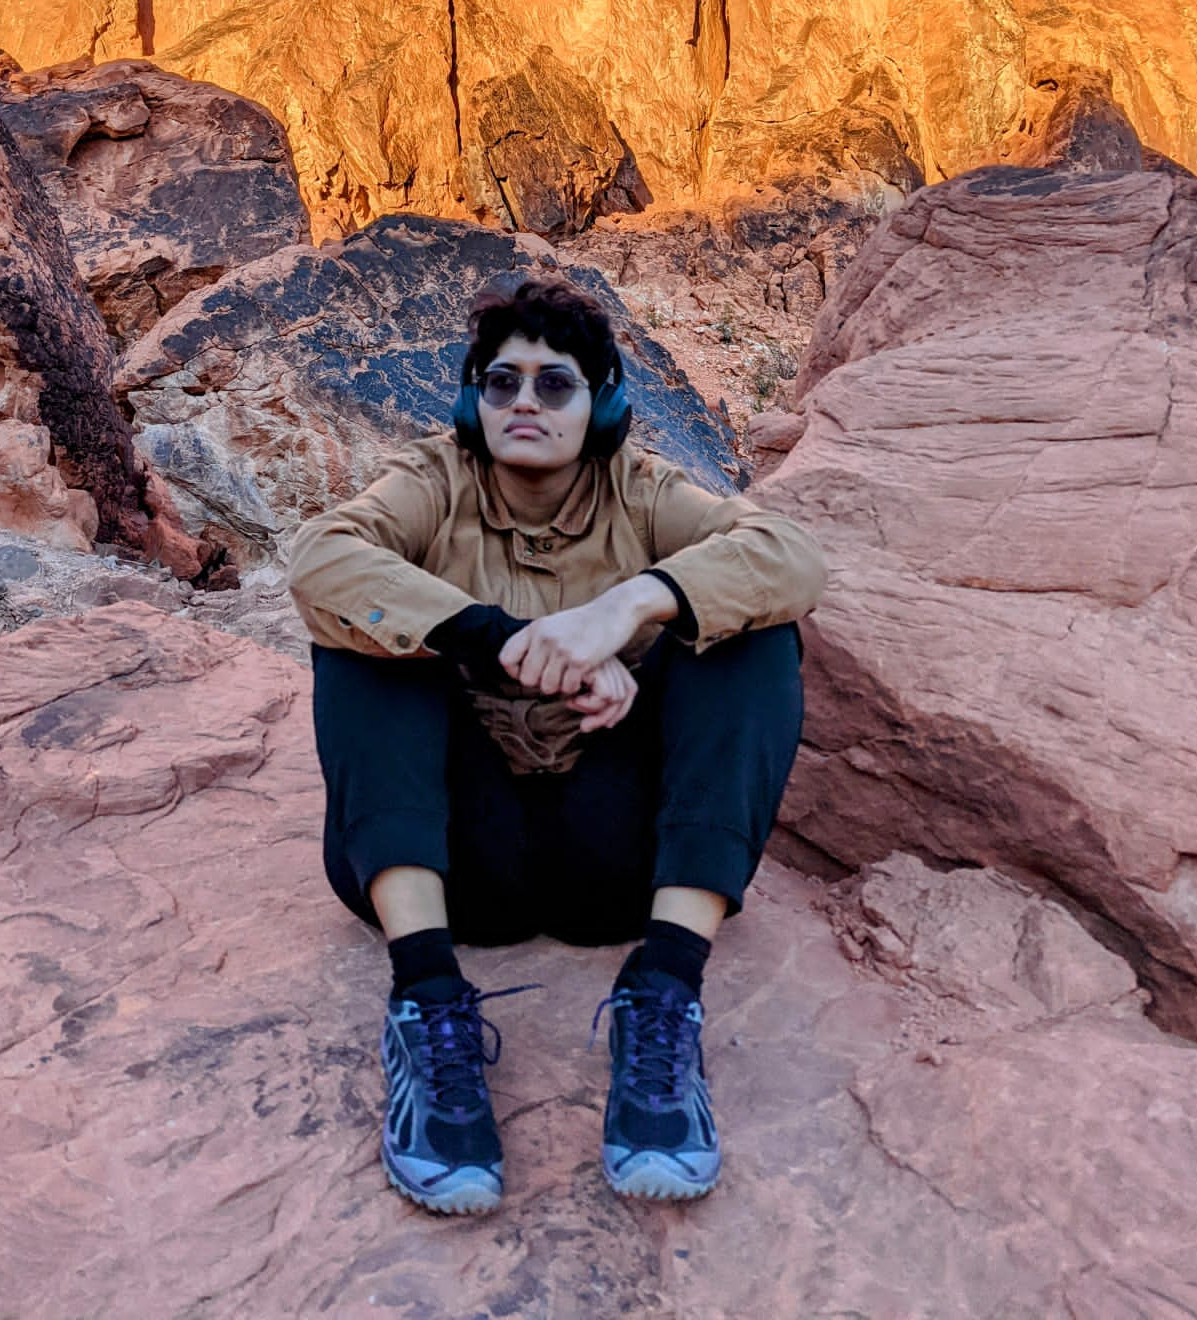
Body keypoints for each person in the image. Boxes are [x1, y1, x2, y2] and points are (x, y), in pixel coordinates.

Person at [287, 277, 826, 1215]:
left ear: (605, 400)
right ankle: (427, 1004)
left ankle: (662, 993)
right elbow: (321, 557)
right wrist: (497, 640)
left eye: (554, 384)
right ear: (470, 399)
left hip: (613, 859)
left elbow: (790, 557)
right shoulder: (431, 480)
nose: (524, 403)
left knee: (750, 630)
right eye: (500, 383)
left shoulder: (645, 490)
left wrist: (627, 611)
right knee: (363, 627)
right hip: (457, 865)